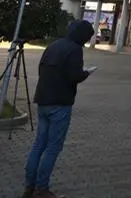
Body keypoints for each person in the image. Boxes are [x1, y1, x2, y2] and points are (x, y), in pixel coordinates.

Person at [23, 20, 95, 198]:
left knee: (39, 144)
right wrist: (86, 73)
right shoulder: (75, 50)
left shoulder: (54, 45)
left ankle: (29, 186)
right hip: (60, 104)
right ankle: (42, 188)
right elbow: (74, 77)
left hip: (43, 100)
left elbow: (42, 69)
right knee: (53, 147)